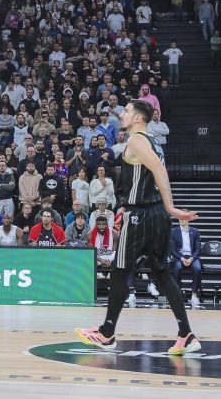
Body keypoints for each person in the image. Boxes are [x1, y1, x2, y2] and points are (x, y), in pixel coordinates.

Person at [76, 99, 201, 355]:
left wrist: (171, 207)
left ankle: (107, 333)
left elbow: (159, 172)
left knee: (120, 271)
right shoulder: (152, 141)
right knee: (161, 274)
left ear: (137, 118)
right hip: (151, 214)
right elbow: (147, 177)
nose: (121, 114)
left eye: (126, 111)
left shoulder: (136, 140)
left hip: (143, 214)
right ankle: (186, 334)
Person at [170, 220, 203, 308]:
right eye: (180, 217)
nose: (182, 220)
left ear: (188, 219)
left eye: (184, 217)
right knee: (177, 268)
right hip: (179, 256)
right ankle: (178, 295)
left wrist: (191, 258)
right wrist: (182, 258)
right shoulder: (173, 231)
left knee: (197, 269)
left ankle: (194, 295)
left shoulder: (195, 231)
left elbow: (198, 249)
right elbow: (172, 250)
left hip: (192, 256)